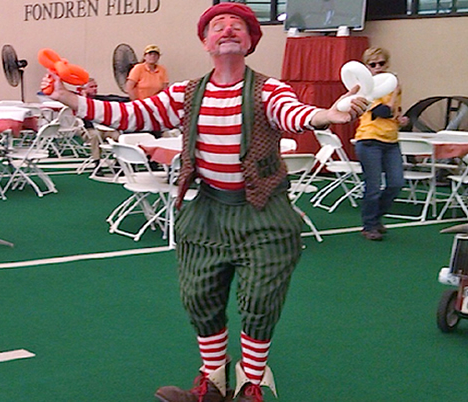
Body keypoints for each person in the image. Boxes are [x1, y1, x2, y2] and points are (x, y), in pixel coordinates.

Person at [42, 3, 368, 401]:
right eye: (218, 26)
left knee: (261, 301)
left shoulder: (269, 89)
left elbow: (292, 114)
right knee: (199, 296)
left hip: (263, 212)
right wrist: (69, 100)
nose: (228, 30)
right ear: (205, 42)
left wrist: (326, 114)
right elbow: (131, 115)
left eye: (237, 26)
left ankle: (251, 385)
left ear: (250, 42)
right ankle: (212, 383)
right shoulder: (184, 92)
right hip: (207, 211)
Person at [354, 47, 408, 241]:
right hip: (370, 141)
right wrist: (396, 92)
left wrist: (401, 119)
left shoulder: (390, 86)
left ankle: (376, 219)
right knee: (373, 186)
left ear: (387, 64)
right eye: (373, 64)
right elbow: (382, 112)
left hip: (391, 141)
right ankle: (369, 225)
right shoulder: (367, 88)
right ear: (367, 68)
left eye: (382, 63)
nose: (378, 68)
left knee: (396, 183)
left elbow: (393, 113)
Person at [76, 78, 124, 161]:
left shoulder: (99, 100)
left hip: (103, 129)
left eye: (95, 86)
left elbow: (113, 98)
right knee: (95, 135)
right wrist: (84, 97)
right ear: (83, 89)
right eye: (91, 87)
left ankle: (119, 161)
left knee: (119, 136)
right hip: (88, 130)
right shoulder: (77, 101)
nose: (95, 89)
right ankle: (96, 161)